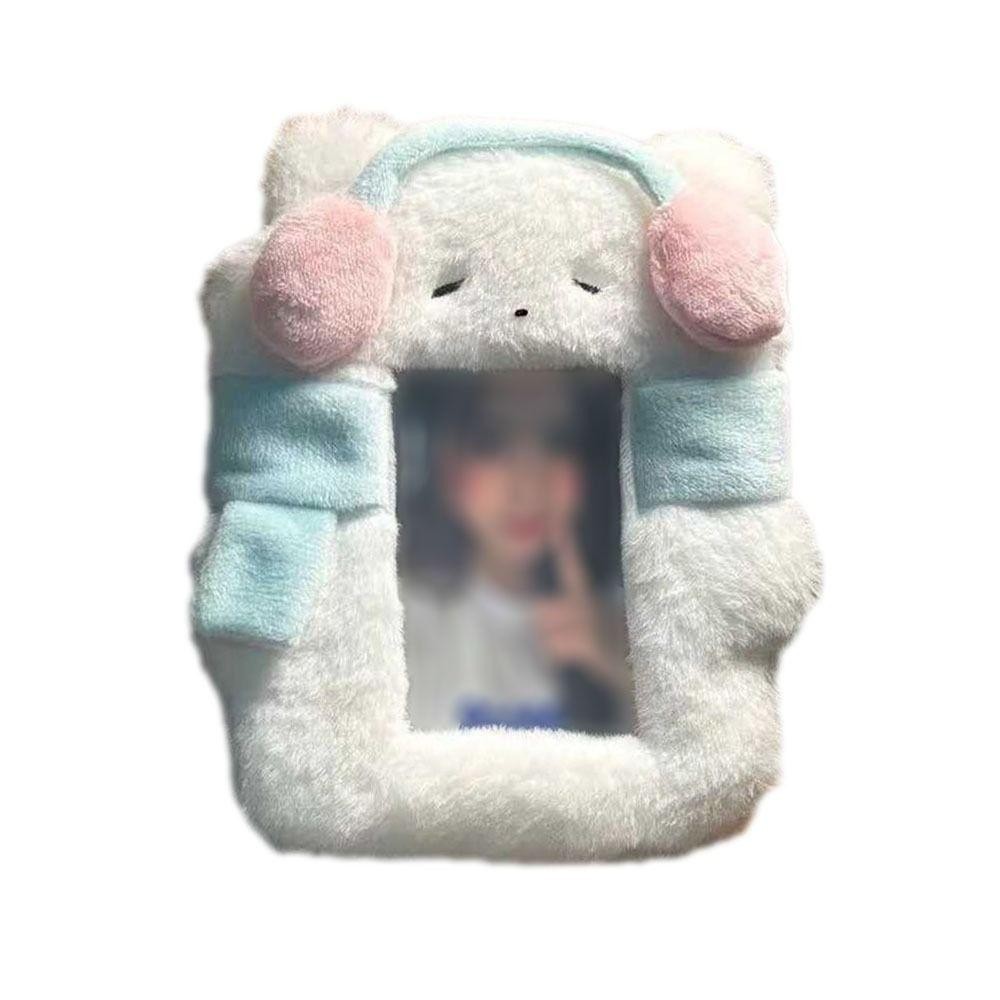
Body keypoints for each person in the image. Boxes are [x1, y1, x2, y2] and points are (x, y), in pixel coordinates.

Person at [396, 370, 633, 733]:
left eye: (559, 441)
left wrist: (623, 668)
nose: (528, 487)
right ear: (445, 464)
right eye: (490, 442)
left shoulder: (638, 623)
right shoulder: (395, 617)